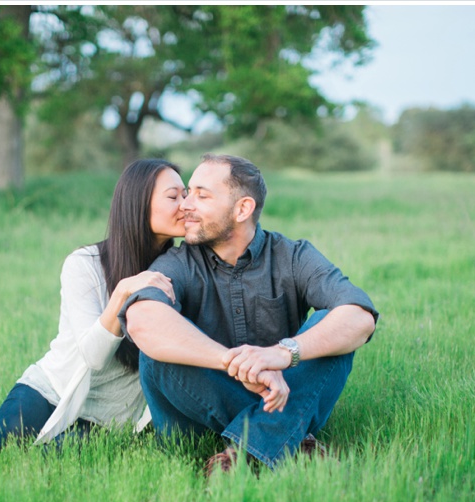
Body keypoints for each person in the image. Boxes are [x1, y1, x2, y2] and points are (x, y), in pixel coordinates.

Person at [0, 158, 187, 457]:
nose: (185, 205)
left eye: (187, 195)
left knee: (42, 461)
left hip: (108, 417)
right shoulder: (85, 264)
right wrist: (123, 289)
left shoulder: (181, 269)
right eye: (173, 197)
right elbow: (93, 357)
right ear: (137, 204)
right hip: (53, 392)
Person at [120, 154, 378, 475]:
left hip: (277, 396)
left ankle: (245, 452)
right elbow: (143, 321)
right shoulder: (179, 262)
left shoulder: (293, 256)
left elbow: (360, 317)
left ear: (242, 209)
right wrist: (240, 364)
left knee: (333, 328)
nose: (187, 204)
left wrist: (283, 354)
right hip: (197, 419)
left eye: (202, 195)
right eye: (188, 192)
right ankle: (290, 441)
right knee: (159, 349)